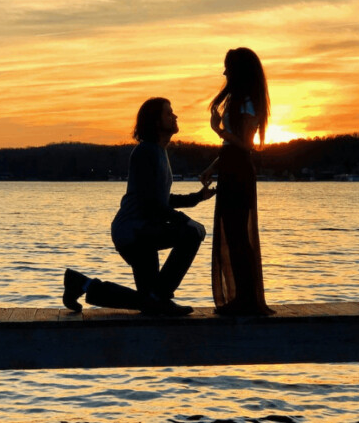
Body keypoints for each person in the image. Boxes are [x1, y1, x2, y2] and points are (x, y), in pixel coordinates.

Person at [63, 97, 215, 316]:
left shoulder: (159, 152)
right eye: (168, 113)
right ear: (155, 122)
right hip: (134, 232)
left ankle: (80, 283)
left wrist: (197, 197)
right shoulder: (146, 152)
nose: (175, 116)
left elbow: (161, 198)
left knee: (147, 302)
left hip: (143, 231)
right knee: (191, 233)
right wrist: (185, 221)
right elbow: (150, 202)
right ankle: (161, 298)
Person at [200, 47, 274, 315]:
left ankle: (246, 299)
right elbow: (231, 147)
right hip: (231, 167)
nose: (224, 72)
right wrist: (212, 167)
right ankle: (242, 298)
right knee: (232, 234)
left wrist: (217, 130)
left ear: (238, 71)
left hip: (240, 171)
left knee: (238, 235)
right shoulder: (239, 100)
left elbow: (244, 145)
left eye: (227, 67)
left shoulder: (248, 102)